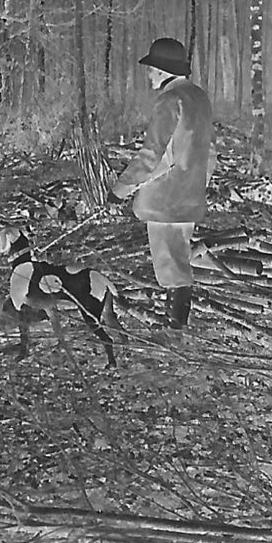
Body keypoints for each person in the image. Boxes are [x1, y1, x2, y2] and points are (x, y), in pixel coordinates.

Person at [110, 37, 215, 329]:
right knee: (178, 260)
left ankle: (175, 330)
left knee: (171, 265)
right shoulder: (199, 97)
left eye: (151, 69)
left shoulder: (170, 100)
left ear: (163, 70)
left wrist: (120, 190)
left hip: (165, 201)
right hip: (189, 197)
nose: (149, 74)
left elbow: (151, 155)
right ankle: (176, 324)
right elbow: (212, 154)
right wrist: (196, 184)